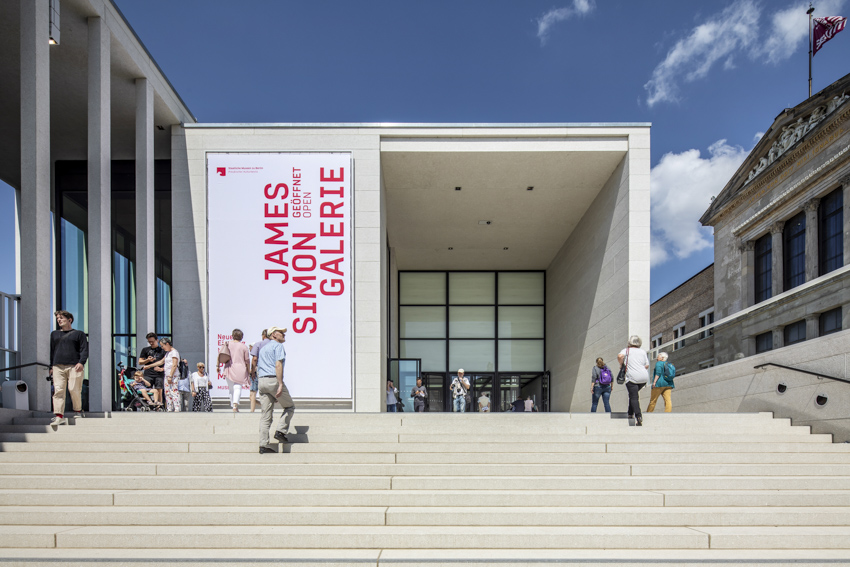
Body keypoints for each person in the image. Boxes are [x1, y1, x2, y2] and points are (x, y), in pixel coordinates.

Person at [256, 326, 295, 454]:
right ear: (273, 335)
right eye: (281, 332)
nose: (284, 334)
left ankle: (263, 445)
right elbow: (278, 365)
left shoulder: (263, 349)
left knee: (265, 415)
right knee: (289, 406)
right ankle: (280, 431)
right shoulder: (278, 346)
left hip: (262, 381)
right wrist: (280, 384)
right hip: (273, 380)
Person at [49, 310, 89, 425]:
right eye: (58, 318)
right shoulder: (54, 334)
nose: (59, 320)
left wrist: (81, 362)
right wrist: (51, 366)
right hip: (57, 366)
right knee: (58, 390)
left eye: (61, 318)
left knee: (74, 389)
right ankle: (59, 416)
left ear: (69, 320)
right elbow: (52, 351)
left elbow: (84, 349)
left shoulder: (79, 334)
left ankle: (78, 410)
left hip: (74, 366)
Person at [618, 335, 650, 426]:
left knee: (634, 397)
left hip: (632, 378)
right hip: (644, 378)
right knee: (633, 395)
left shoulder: (626, 350)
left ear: (629, 342)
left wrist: (621, 364)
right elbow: (647, 365)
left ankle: (638, 416)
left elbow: (620, 356)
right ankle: (630, 413)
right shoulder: (642, 351)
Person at [219, 329, 251, 412]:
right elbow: (247, 360)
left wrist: (217, 366)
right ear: (241, 337)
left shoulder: (227, 344)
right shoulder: (244, 347)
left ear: (232, 335)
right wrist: (249, 370)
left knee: (231, 389)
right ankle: (235, 405)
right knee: (238, 387)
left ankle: (233, 405)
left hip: (229, 368)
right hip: (240, 369)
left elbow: (220, 355)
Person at [138, 333, 166, 408]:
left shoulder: (162, 350)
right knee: (146, 389)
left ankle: (159, 407)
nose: (151, 343)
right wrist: (147, 360)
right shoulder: (145, 350)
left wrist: (162, 369)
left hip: (159, 374)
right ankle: (148, 405)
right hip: (148, 374)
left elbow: (167, 363)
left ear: (157, 340)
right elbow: (140, 362)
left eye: (152, 341)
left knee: (159, 390)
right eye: (149, 341)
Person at [249, 330, 272, 413]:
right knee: (266, 393)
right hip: (270, 371)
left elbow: (254, 359)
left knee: (253, 392)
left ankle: (252, 411)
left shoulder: (258, 344)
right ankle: (266, 409)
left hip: (259, 370)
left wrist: (252, 371)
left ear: (263, 335)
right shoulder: (274, 345)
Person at [159, 338, 181, 412]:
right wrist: (149, 366)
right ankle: (169, 407)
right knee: (167, 392)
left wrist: (170, 376)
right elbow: (161, 362)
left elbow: (174, 365)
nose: (162, 348)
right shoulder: (168, 353)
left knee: (174, 391)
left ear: (167, 344)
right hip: (167, 375)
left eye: (162, 346)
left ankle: (177, 407)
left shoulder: (174, 352)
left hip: (173, 375)